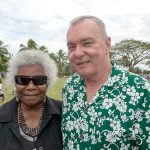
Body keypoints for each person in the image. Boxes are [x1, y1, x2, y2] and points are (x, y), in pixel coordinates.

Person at [61, 15, 150, 150]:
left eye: (87, 43)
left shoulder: (140, 90)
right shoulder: (70, 87)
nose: (78, 53)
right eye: (72, 47)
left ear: (107, 45)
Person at [0, 50, 63, 150]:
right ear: (15, 82)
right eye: (23, 80)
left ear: (48, 82)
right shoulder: (2, 116)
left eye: (39, 80)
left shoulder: (65, 114)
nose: (30, 87)